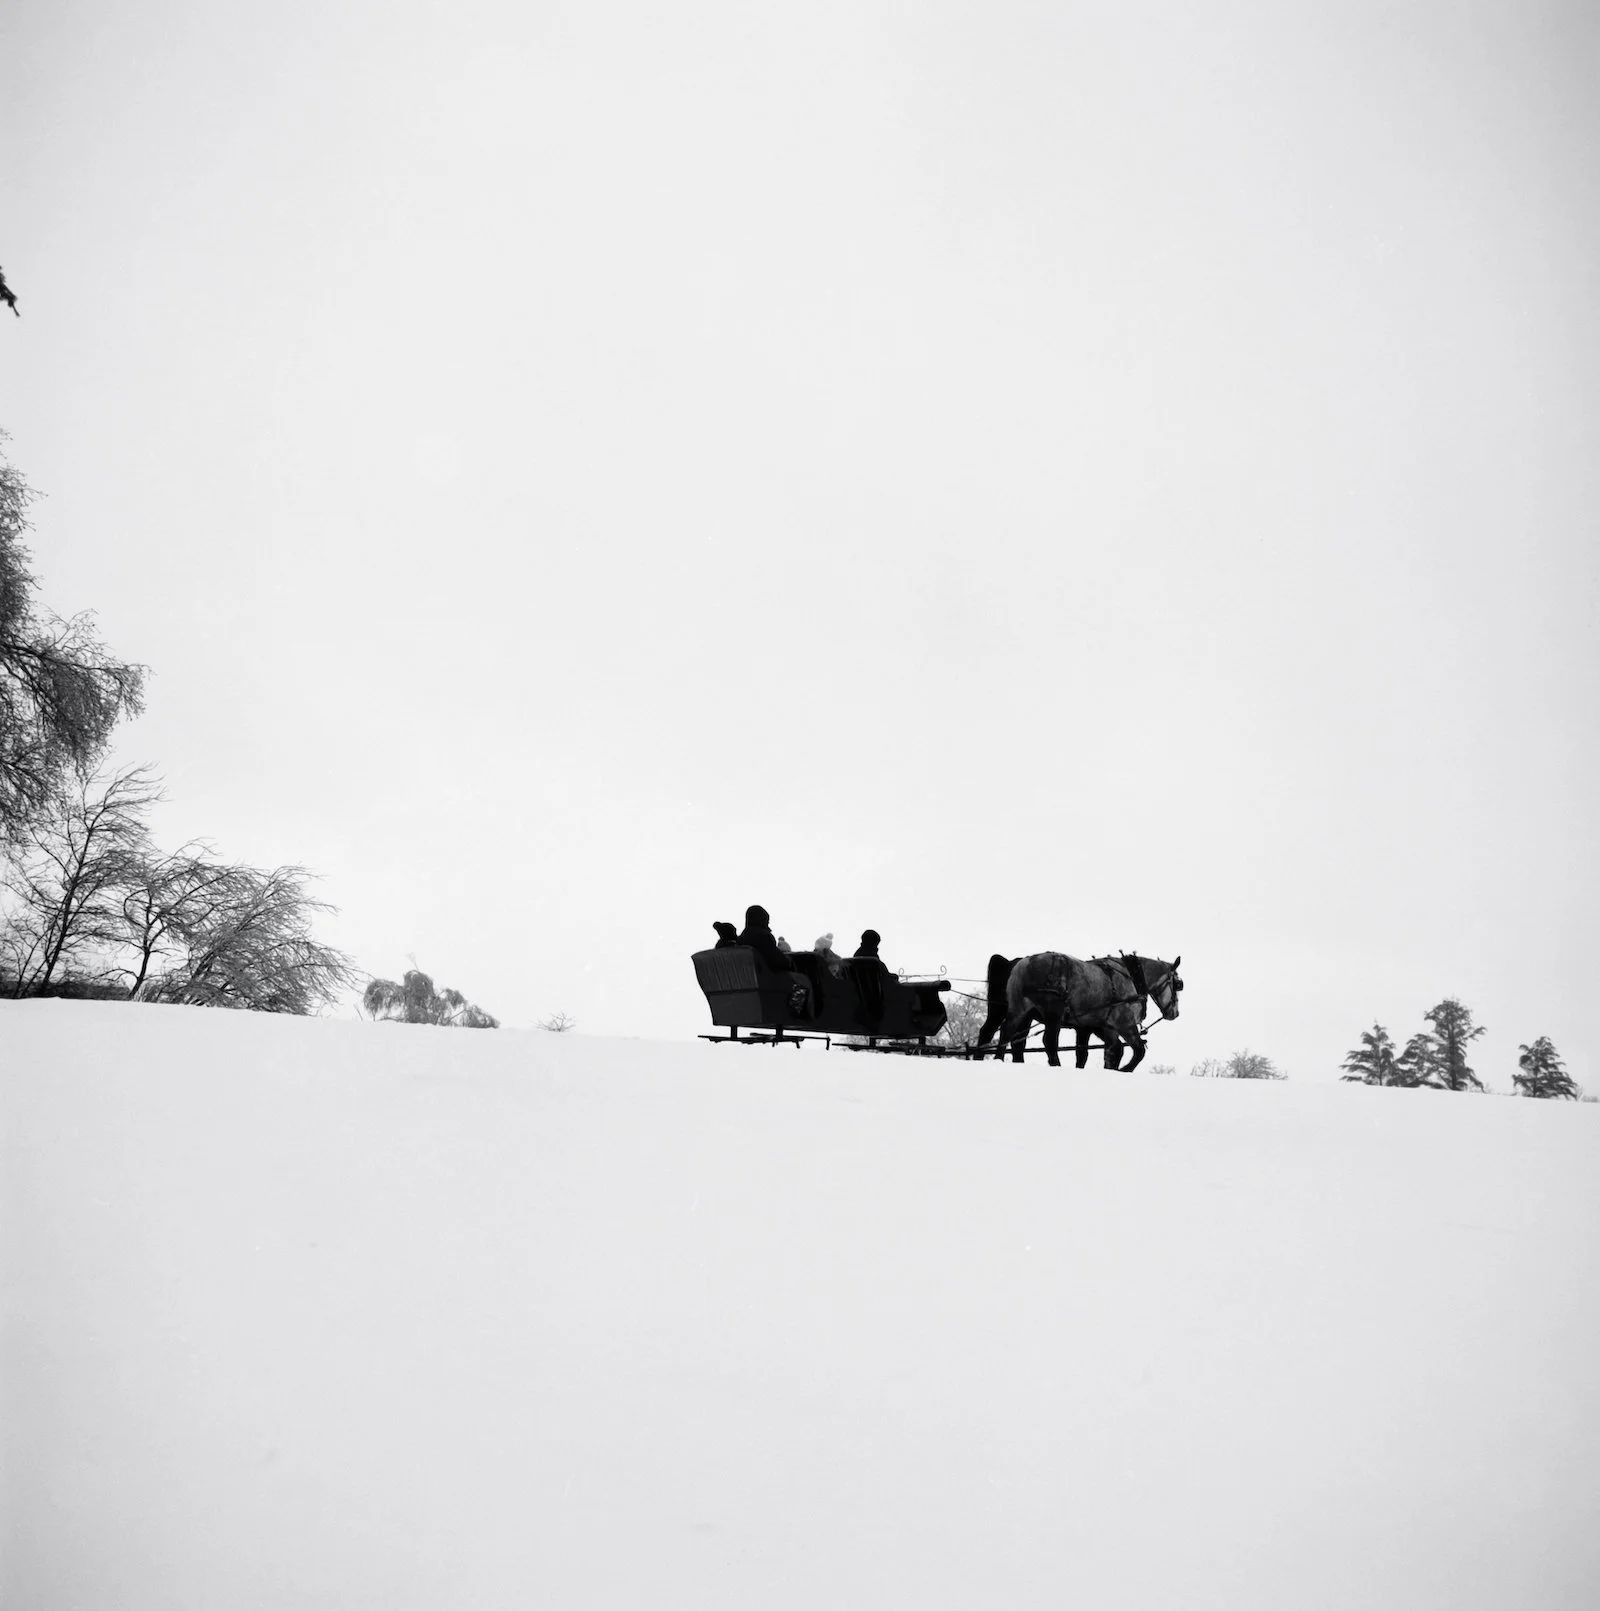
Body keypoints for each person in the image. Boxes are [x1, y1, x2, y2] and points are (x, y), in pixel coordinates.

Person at [737, 905, 791, 974]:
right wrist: (789, 961)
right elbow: (779, 961)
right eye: (767, 922)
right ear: (763, 920)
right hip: (768, 977)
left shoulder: (741, 939)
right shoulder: (763, 937)